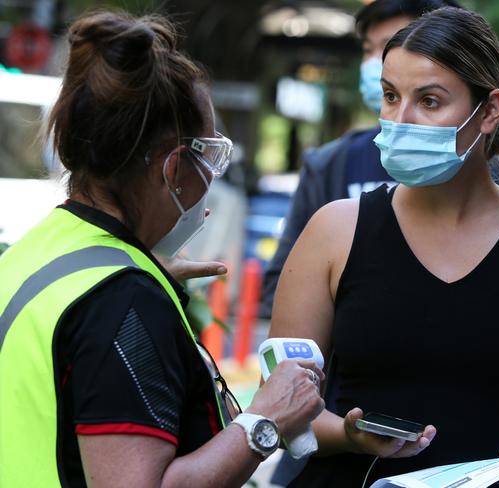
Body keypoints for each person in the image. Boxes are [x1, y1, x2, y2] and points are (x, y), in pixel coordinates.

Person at [269, 7, 499, 488]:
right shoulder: (334, 230)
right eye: (390, 96)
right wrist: (346, 434)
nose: (399, 119)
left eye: (429, 101)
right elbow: (282, 409)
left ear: (489, 110)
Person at [0, 11, 324, 487]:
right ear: (173, 169)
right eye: (209, 156)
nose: (211, 178)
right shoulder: (123, 299)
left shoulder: (38, 252)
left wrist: (141, 276)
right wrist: (267, 420)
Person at [260, 0, 499, 319]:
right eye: (368, 49)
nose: (375, 61)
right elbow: (285, 289)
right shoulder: (332, 173)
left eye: (429, 100)